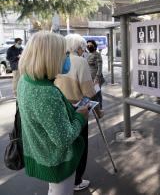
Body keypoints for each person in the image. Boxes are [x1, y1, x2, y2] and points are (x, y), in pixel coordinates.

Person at [17, 31, 89, 195]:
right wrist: (80, 116)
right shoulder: (47, 93)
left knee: (53, 188)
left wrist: (65, 107)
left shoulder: (25, 80)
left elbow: (42, 115)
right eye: (64, 54)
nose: (67, 58)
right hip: (57, 160)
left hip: (41, 152)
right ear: (51, 57)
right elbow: (64, 139)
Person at [54, 34, 102, 191]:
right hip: (77, 109)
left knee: (65, 144)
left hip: (60, 107)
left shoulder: (58, 59)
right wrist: (99, 111)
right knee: (80, 144)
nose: (84, 50)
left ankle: (65, 177)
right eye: (83, 47)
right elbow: (88, 90)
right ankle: (76, 180)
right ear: (79, 47)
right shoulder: (80, 61)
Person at [86, 40, 103, 109]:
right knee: (92, 94)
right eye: (88, 45)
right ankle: (95, 108)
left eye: (90, 45)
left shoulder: (97, 54)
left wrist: (97, 78)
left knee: (97, 93)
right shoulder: (88, 54)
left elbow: (100, 66)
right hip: (89, 78)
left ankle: (100, 108)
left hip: (96, 78)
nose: (89, 46)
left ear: (94, 46)